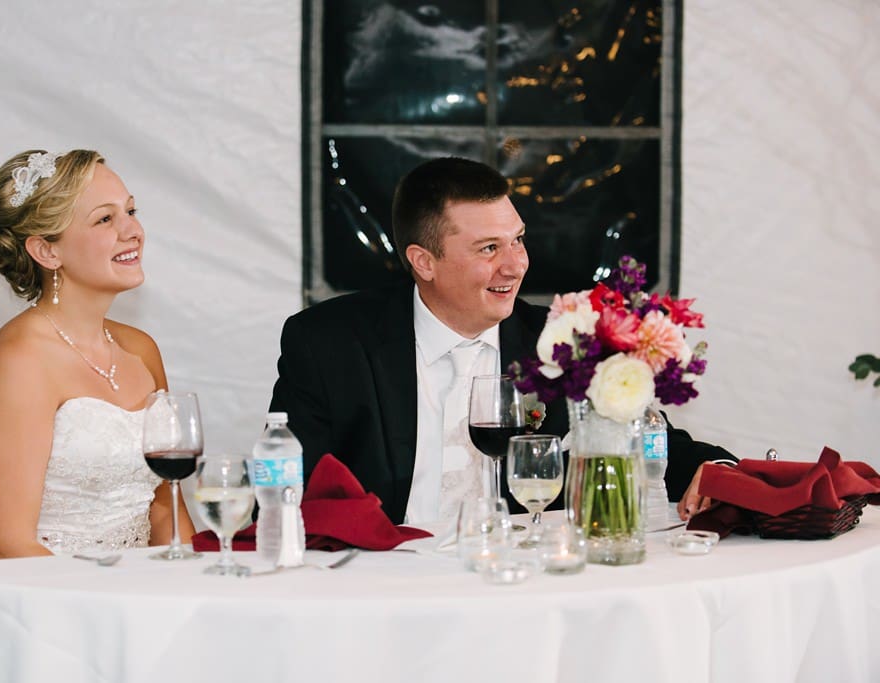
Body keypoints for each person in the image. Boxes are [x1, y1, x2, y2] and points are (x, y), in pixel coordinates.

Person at [269, 156, 735, 525]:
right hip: (386, 587)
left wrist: (713, 473)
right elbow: (282, 494)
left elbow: (662, 448)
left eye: (518, 240)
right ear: (424, 261)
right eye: (489, 248)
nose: (515, 265)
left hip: (522, 586)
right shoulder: (327, 343)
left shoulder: (562, 343)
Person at [0, 149, 195, 559]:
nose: (134, 230)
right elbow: (8, 546)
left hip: (142, 592)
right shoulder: (20, 361)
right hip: (54, 602)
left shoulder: (141, 350)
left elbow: (165, 509)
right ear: (47, 251)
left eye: (131, 211)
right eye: (105, 219)